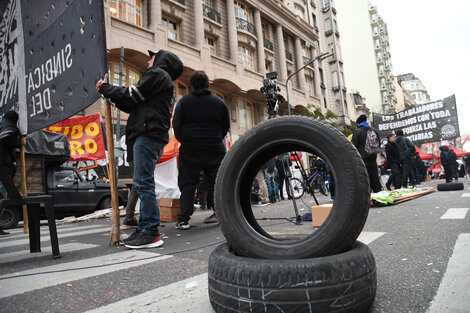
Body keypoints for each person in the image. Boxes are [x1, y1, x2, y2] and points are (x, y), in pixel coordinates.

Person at [96, 49, 183, 248]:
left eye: (151, 57)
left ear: (161, 60)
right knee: (142, 183)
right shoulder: (161, 80)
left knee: (144, 184)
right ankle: (144, 228)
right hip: (146, 134)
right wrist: (108, 93)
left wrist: (106, 88)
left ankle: (150, 231)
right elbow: (131, 104)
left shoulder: (158, 75)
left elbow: (132, 94)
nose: (147, 61)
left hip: (147, 134)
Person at [172, 70, 230, 229]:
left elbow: (176, 125)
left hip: (190, 147)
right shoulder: (219, 102)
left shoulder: (183, 102)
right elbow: (226, 126)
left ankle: (183, 218)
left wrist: (184, 139)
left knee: (187, 183)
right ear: (207, 84)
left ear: (191, 85)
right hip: (214, 146)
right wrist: (217, 137)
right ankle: (218, 212)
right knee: (216, 181)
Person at [0, 111, 27, 236]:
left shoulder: (2, 124)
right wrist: (19, 142)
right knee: (1, 197)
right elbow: (6, 138)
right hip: (3, 168)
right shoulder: (9, 126)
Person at [351, 114, 382, 193]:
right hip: (373, 156)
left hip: (362, 157)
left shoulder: (357, 131)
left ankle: (367, 194)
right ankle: (378, 192)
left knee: (365, 176)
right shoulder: (374, 130)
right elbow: (379, 144)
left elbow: (353, 146)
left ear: (358, 123)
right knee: (374, 175)